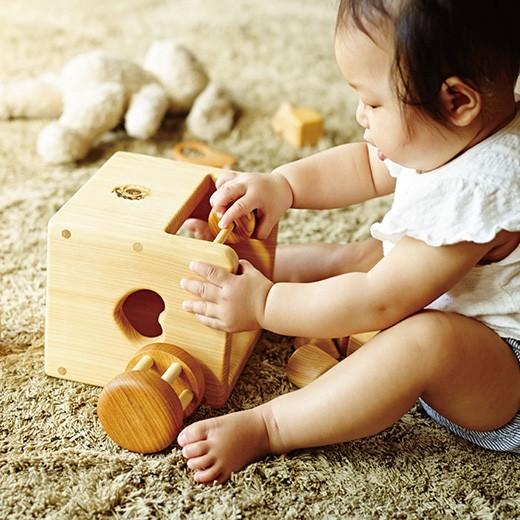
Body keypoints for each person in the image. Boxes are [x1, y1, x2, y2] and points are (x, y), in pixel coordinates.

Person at [177, 0, 520, 484]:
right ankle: (236, 273)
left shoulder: (486, 187)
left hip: (505, 374)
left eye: (374, 103)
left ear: (458, 102)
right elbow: (365, 164)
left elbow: (379, 303)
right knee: (366, 256)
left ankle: (271, 426)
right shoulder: (456, 132)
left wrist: (267, 307)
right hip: (447, 299)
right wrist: (284, 186)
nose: (361, 115)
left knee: (424, 342)